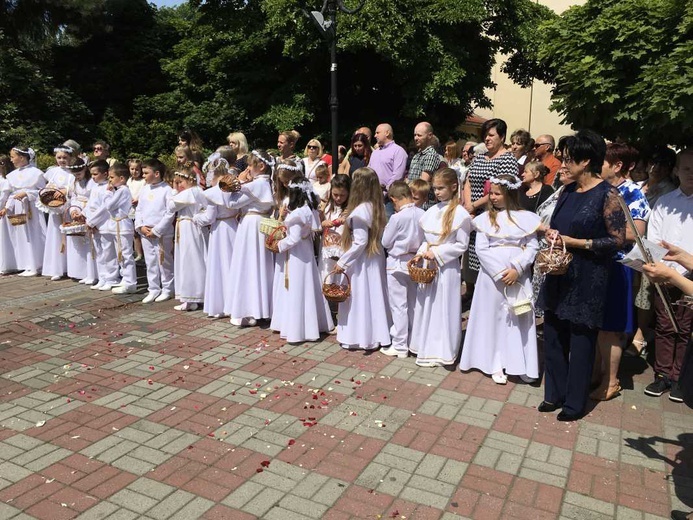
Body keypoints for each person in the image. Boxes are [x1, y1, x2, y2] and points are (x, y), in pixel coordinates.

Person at [538, 129, 626, 421]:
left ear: (586, 160)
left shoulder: (607, 194)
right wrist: (553, 233)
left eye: (568, 159)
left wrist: (579, 243)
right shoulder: (567, 191)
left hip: (589, 277)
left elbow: (617, 240)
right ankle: (554, 394)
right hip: (559, 271)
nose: (562, 164)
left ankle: (574, 404)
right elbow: (559, 227)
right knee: (552, 334)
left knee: (581, 341)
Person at [460, 173, 541, 383]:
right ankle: (494, 361)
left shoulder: (526, 218)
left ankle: (520, 362)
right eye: (491, 193)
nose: (492, 197)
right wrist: (499, 272)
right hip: (492, 278)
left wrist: (517, 267)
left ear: (510, 193)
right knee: (494, 317)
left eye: (497, 193)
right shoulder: (486, 219)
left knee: (518, 314)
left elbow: (532, 246)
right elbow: (481, 249)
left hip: (518, 276)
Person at [592, 142, 650, 401]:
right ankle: (595, 374)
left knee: (611, 327)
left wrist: (600, 230)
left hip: (618, 266)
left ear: (617, 166)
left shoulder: (633, 194)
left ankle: (611, 381)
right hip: (597, 262)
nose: (598, 166)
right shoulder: (603, 189)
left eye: (602, 162)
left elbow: (637, 233)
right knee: (596, 325)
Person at [643, 149, 693, 403]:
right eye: (686, 168)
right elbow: (654, 237)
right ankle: (662, 373)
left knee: (685, 328)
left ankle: (679, 377)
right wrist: (661, 269)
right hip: (664, 272)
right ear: (676, 171)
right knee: (664, 324)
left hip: (691, 275)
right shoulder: (665, 202)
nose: (691, 173)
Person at [409, 168, 472, 367]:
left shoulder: (460, 214)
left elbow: (461, 245)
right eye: (434, 189)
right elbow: (427, 240)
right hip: (429, 265)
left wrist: (437, 253)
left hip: (446, 268)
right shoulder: (432, 211)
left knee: (443, 306)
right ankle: (424, 344)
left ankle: (442, 349)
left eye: (441, 188)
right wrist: (421, 252)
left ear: (454, 187)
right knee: (426, 303)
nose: (436, 192)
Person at [333, 167, 391, 351]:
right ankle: (377, 333)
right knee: (374, 294)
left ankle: (360, 336)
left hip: (362, 260)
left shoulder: (359, 212)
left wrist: (342, 262)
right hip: (375, 256)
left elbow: (360, 242)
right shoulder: (376, 207)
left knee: (361, 296)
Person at [270, 177, 334, 342]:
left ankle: (297, 329)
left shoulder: (298, 213)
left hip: (298, 254)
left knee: (297, 286)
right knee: (308, 286)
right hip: (306, 252)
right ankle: (312, 323)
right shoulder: (309, 209)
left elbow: (294, 238)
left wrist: (279, 245)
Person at [462, 119, 519, 303]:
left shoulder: (507, 159)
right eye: (485, 135)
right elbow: (468, 181)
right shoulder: (480, 157)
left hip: (493, 213)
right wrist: (468, 205)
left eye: (491, 135)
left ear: (502, 137)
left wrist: (475, 205)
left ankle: (486, 298)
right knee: (472, 255)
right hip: (473, 213)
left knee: (488, 257)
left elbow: (502, 189)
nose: (487, 139)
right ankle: (472, 295)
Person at [223, 150, 276, 325]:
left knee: (249, 264)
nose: (247, 169)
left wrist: (241, 181)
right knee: (260, 265)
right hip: (260, 223)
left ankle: (250, 310)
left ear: (260, 166)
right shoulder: (265, 184)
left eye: (250, 166)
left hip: (251, 225)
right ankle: (260, 308)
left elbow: (231, 202)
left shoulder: (254, 185)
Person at [380, 181, 424, 358]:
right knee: (414, 303)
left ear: (394, 199)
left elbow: (385, 242)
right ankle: (415, 340)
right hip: (415, 263)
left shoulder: (397, 218)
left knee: (399, 305)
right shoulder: (422, 213)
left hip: (397, 263)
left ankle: (400, 345)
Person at [203, 157, 240, 318]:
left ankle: (221, 304)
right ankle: (234, 303)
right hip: (233, 226)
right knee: (232, 264)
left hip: (219, 229)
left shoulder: (212, 193)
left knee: (219, 266)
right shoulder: (234, 188)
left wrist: (197, 218)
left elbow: (209, 218)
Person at [135, 159, 175, 304]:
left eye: (146, 173)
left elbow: (170, 213)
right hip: (146, 232)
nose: (143, 175)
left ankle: (168, 289)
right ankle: (153, 288)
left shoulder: (167, 190)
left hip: (161, 232)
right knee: (150, 262)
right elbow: (139, 209)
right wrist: (140, 227)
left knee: (164, 261)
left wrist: (157, 230)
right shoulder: (145, 189)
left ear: (157, 174)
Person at [169, 166, 209, 311]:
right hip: (188, 228)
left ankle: (192, 296)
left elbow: (170, 205)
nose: (179, 186)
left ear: (189, 180)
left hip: (189, 229)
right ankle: (191, 296)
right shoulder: (196, 191)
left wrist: (173, 190)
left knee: (190, 260)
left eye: (180, 182)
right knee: (191, 259)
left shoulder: (191, 192)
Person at [6, 146, 47, 277]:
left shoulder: (36, 173)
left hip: (32, 209)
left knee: (34, 235)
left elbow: (43, 192)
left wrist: (27, 193)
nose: (11, 160)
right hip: (18, 207)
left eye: (13, 157)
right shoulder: (12, 175)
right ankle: (26, 264)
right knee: (22, 236)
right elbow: (11, 193)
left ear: (22, 157)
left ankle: (36, 264)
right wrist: (8, 207)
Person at [39, 144, 76, 281]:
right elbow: (47, 187)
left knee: (70, 238)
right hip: (55, 209)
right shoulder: (52, 172)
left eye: (64, 157)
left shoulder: (73, 173)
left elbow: (73, 189)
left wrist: (64, 192)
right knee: (55, 237)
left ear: (70, 157)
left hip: (67, 208)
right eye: (59, 157)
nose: (61, 160)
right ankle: (57, 268)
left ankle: (71, 267)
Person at [102, 163, 138, 295]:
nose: (109, 180)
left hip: (123, 226)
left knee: (125, 254)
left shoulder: (123, 190)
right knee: (120, 254)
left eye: (112, 177)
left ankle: (130, 282)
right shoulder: (120, 190)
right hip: (117, 226)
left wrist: (107, 193)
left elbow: (109, 205)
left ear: (122, 178)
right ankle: (125, 278)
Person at [319, 174, 350, 315]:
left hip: (343, 249)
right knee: (327, 277)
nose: (338, 198)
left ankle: (341, 313)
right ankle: (328, 314)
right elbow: (319, 224)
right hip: (327, 249)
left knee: (341, 281)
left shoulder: (350, 208)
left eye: (342, 195)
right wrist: (322, 224)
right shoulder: (327, 206)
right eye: (335, 194)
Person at [66, 159, 97, 284]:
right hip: (78, 210)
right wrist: (73, 210)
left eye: (79, 174)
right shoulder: (74, 182)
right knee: (78, 242)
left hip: (89, 211)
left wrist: (84, 212)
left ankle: (92, 273)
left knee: (90, 243)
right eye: (74, 174)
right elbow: (73, 198)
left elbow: (94, 199)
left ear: (85, 170)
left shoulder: (92, 182)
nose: (77, 176)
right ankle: (80, 271)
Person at [84, 160, 112, 289]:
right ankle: (102, 277)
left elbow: (105, 208)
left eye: (95, 174)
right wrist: (85, 216)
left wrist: (92, 221)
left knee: (108, 252)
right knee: (98, 252)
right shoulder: (95, 187)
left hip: (104, 223)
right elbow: (90, 205)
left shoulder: (109, 188)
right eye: (92, 175)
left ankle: (111, 278)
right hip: (93, 224)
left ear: (105, 174)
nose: (93, 177)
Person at [407, 122, 443, 209]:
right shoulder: (417, 155)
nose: (416, 138)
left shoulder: (430, 154)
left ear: (429, 136)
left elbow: (422, 183)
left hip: (423, 204)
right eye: (415, 135)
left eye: (419, 135)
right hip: (413, 200)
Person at [0, 155, 17, 275]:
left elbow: (3, 198)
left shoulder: (5, 181)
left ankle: (7, 264)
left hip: (3, 211)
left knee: (4, 239)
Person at [127, 159, 146, 262]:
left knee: (139, 232)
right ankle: (137, 253)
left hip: (139, 209)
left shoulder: (143, 181)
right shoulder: (129, 181)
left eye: (137, 169)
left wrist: (138, 200)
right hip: (130, 210)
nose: (134, 171)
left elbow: (143, 193)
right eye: (132, 169)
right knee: (133, 233)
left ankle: (142, 253)